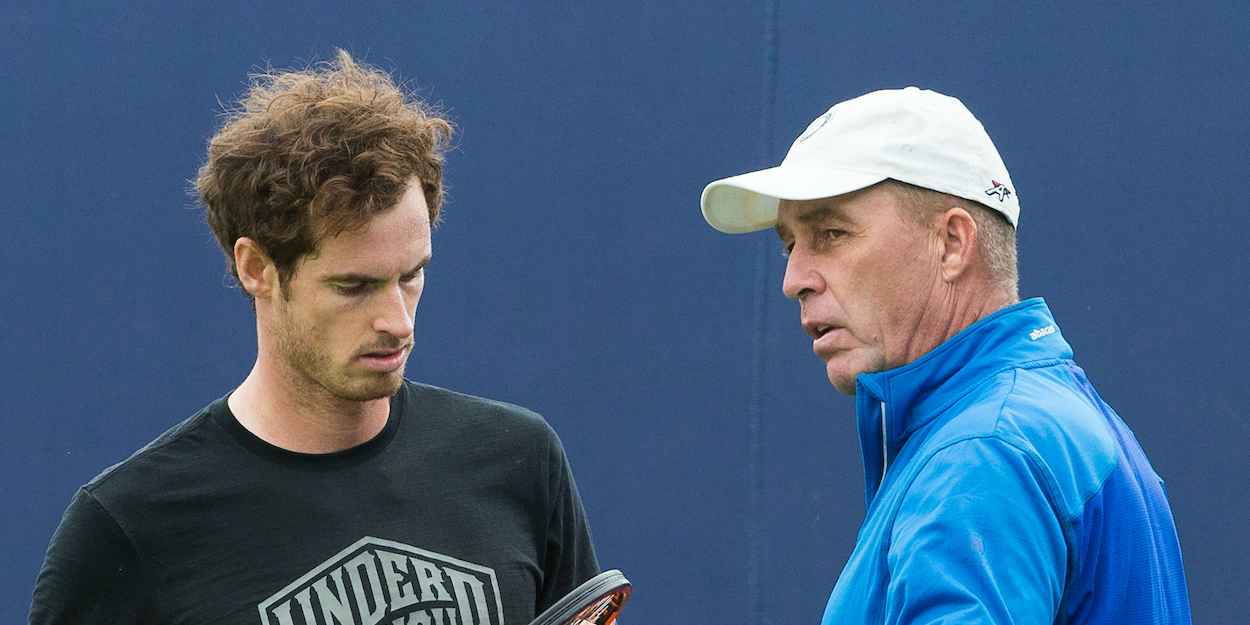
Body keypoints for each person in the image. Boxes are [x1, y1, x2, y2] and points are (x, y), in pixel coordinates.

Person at [30, 51, 598, 625]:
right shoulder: (127, 529)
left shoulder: (519, 459)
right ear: (256, 268)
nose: (398, 321)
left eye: (412, 275)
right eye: (354, 286)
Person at [700, 87, 1191, 624]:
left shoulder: (983, 454)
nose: (794, 280)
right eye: (791, 244)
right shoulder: (1041, 423)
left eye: (832, 233)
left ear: (953, 243)